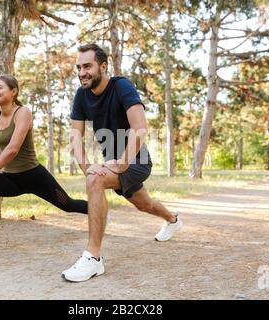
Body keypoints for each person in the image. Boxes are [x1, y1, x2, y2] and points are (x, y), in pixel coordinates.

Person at [61, 44, 183, 282]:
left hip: (136, 160)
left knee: (95, 181)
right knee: (144, 204)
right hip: (113, 162)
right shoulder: (81, 95)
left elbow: (140, 129)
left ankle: (93, 259)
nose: (82, 72)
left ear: (103, 66)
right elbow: (75, 135)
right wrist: (87, 165)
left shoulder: (121, 86)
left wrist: (121, 163)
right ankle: (173, 220)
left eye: (87, 66)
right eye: (79, 67)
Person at [0, 74, 88, 261]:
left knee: (68, 204)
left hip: (34, 176)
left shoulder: (23, 112)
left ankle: (97, 211)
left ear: (14, 91)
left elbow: (12, 149)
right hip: (11, 180)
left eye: (0, 87)